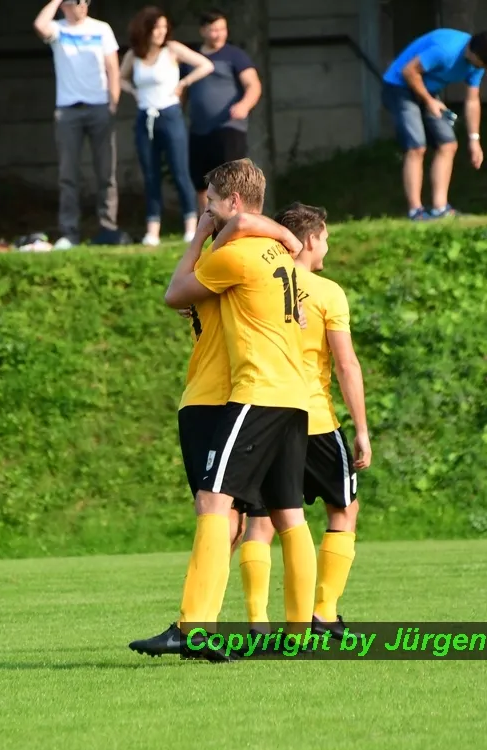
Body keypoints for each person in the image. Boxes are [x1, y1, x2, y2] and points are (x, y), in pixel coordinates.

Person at [129, 159, 315, 661]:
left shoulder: (234, 256)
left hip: (257, 391)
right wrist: (284, 236)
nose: (206, 211)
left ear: (232, 202)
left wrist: (204, 236)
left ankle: (193, 629)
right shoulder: (276, 253)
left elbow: (175, 293)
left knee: (214, 502)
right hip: (294, 396)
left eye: (211, 202)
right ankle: (300, 634)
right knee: (288, 514)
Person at [220, 203, 371, 641]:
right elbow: (346, 364)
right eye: (325, 239)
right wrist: (362, 429)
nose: (327, 247)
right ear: (309, 239)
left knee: (262, 520)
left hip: (266, 412)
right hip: (315, 418)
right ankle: (323, 612)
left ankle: (257, 621)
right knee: (344, 509)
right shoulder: (326, 292)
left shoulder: (261, 281)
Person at [380, 30, 487, 220]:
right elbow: (409, 71)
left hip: (427, 90)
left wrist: (474, 140)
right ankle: (416, 211)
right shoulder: (445, 51)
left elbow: (472, 100)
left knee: (448, 144)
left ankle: (440, 209)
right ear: (472, 52)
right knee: (416, 146)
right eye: (480, 64)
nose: (480, 69)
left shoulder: (478, 62)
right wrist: (429, 101)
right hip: (399, 87)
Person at [120, 6, 214, 246]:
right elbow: (120, 78)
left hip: (170, 114)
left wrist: (184, 82)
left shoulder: (172, 49)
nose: (161, 32)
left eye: (164, 27)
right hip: (145, 117)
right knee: (150, 174)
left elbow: (205, 65)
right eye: (156, 28)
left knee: (179, 171)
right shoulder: (135, 54)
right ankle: (152, 230)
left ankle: (190, 226)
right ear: (146, 30)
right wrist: (133, 91)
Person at [33, 0, 120, 250]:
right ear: (65, 6)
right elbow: (39, 25)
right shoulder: (58, 29)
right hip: (68, 110)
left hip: (99, 107)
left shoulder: (101, 28)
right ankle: (69, 232)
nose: (83, 5)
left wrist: (113, 103)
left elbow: (112, 67)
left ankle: (108, 228)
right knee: (68, 175)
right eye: (77, 1)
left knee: (106, 172)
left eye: (86, 1)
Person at [184, 9, 263, 215]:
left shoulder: (235, 56)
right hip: (199, 130)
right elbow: (182, 90)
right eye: (214, 30)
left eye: (222, 29)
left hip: (229, 127)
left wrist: (244, 105)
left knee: (232, 179)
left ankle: (237, 220)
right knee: (201, 182)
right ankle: (207, 222)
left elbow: (253, 85)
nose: (219, 34)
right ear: (203, 31)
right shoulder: (192, 59)